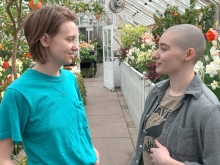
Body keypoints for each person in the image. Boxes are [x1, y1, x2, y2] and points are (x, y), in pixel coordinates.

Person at [0, 5, 100, 165]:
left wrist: (93, 154)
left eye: (76, 39)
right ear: (45, 40)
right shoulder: (18, 93)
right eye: (69, 39)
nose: (76, 46)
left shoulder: (70, 79)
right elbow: (3, 158)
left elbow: (77, 128)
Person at [130, 24, 220, 165]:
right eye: (158, 47)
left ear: (188, 54)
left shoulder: (208, 108)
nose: (155, 54)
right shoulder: (157, 91)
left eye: (164, 48)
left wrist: (168, 162)